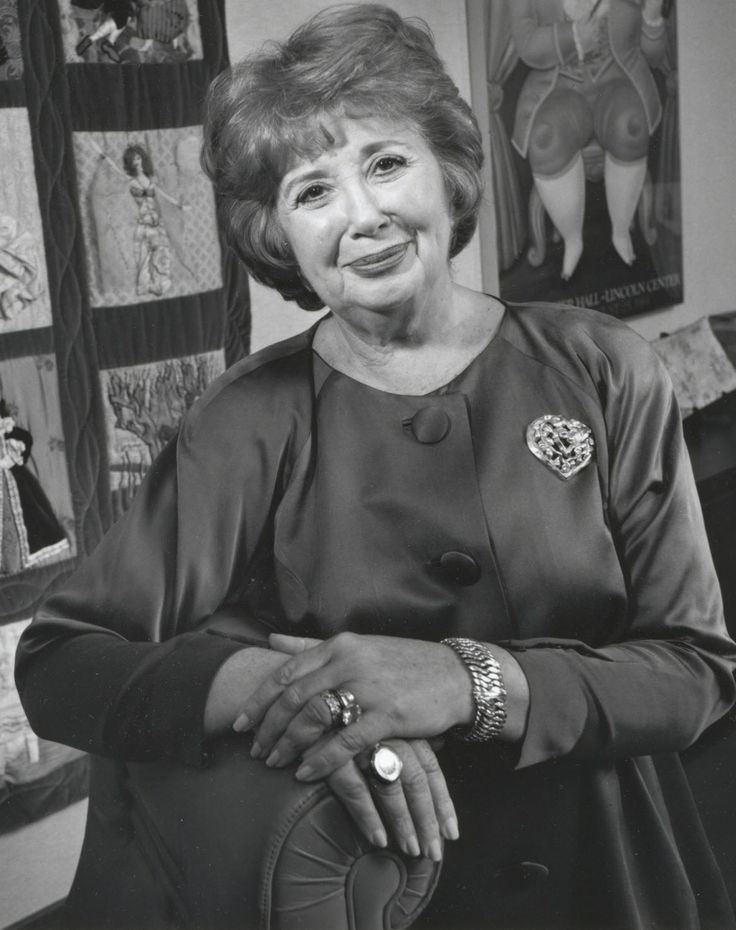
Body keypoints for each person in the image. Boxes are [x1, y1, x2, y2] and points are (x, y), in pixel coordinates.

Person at [15, 5, 736, 929]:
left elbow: (696, 671)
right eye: (312, 192)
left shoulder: (602, 368)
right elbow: (61, 661)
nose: (363, 216)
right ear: (278, 235)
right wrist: (297, 697)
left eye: (387, 163)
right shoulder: (245, 418)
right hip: (379, 892)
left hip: (612, 870)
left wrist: (467, 682)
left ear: (448, 173)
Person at [508, 0, 667, 278]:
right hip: (559, 86)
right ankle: (573, 239)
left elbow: (654, 56)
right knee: (545, 138)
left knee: (630, 124)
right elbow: (526, 44)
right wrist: (572, 36)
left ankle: (620, 231)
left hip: (618, 79)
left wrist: (652, 14)